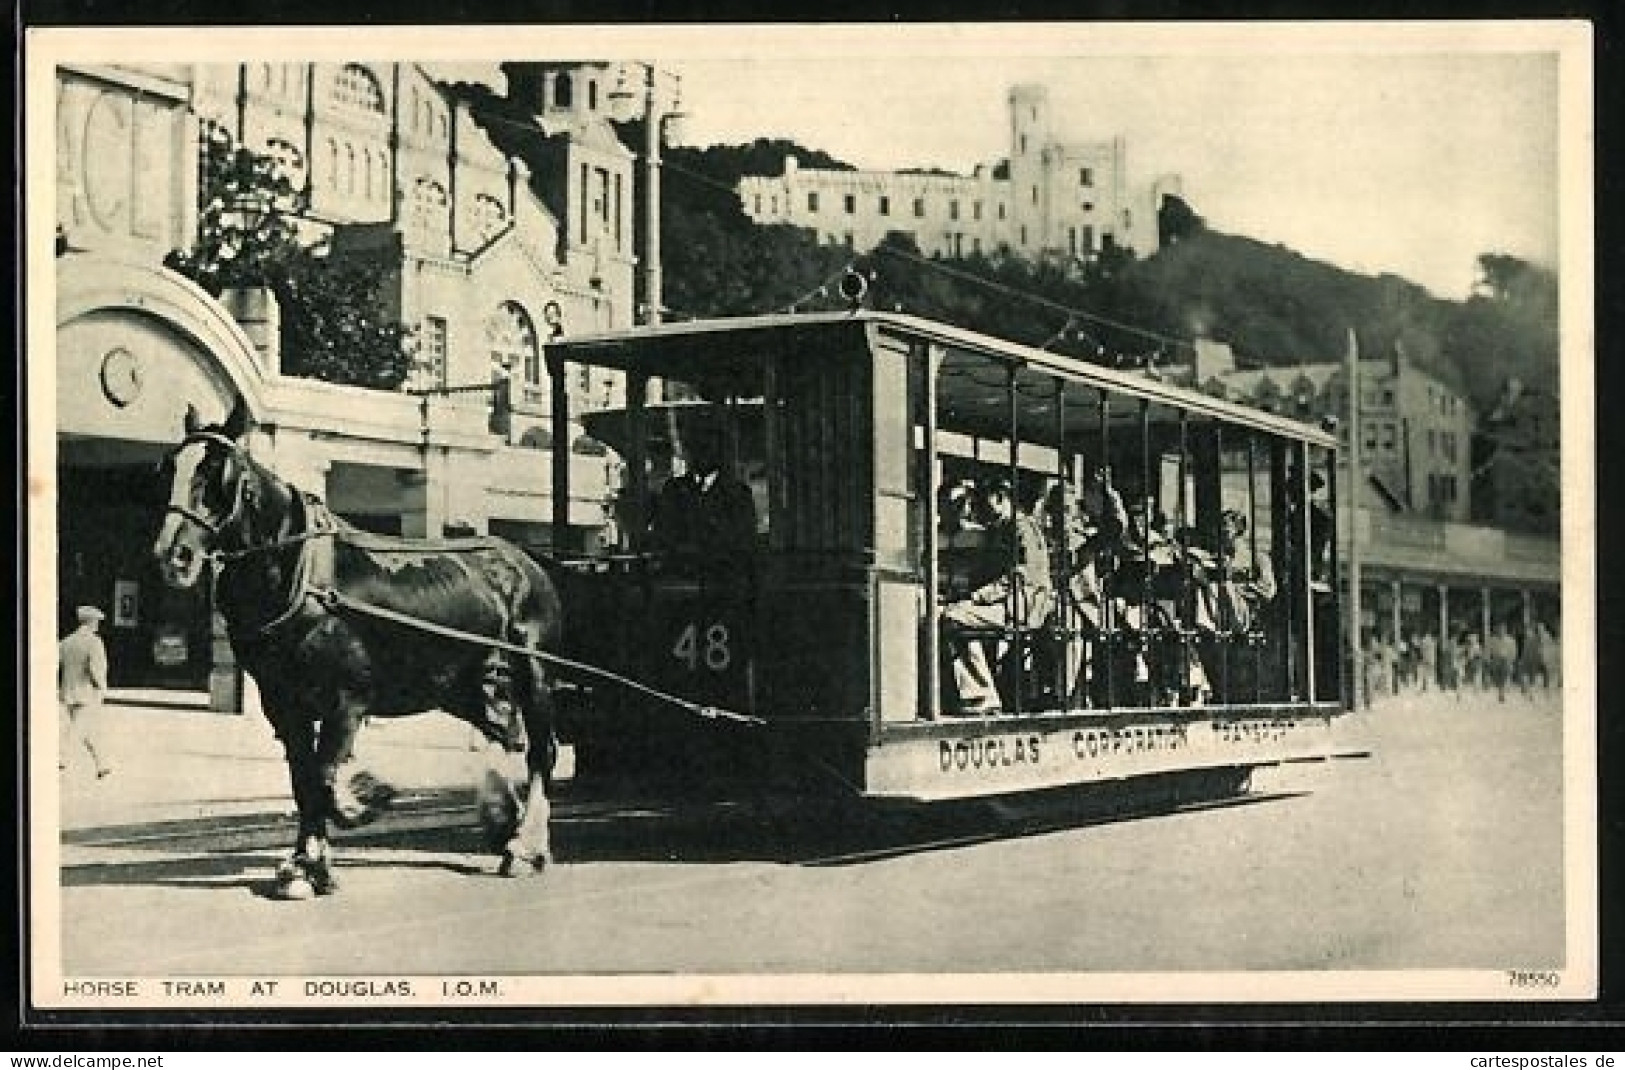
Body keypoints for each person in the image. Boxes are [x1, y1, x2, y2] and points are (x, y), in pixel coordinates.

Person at [939, 478, 1053, 715]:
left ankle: (981, 695)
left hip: (1023, 605)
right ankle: (969, 692)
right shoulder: (1001, 529)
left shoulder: (1023, 529)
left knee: (952, 618)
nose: (983, 511)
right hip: (1007, 602)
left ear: (1002, 498)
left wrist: (977, 597)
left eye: (988, 504)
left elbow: (1019, 576)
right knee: (948, 615)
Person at [646, 424, 759, 573]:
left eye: (707, 448)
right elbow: (664, 534)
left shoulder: (737, 493)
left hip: (724, 579)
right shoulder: (673, 489)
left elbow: (744, 541)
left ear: (719, 453)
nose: (701, 455)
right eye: (695, 448)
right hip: (681, 577)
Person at [59, 605, 112, 779]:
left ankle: (101, 764)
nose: (98, 625)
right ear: (91, 622)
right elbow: (97, 668)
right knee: (78, 728)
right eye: (97, 622)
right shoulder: (94, 642)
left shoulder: (66, 641)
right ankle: (61, 757)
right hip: (86, 692)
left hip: (68, 691)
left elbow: (56, 664)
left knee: (85, 730)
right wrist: (103, 688)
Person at [1485, 621, 1517, 703]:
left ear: (1505, 630)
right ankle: (1500, 690)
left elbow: (1514, 654)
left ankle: (1501, 692)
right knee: (1497, 672)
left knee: (1505, 668)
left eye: (1503, 630)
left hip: (1506, 661)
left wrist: (1510, 662)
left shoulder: (1511, 641)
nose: (1501, 631)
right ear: (1496, 630)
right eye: (1499, 630)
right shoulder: (1492, 640)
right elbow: (1487, 652)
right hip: (1495, 661)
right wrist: (1489, 661)